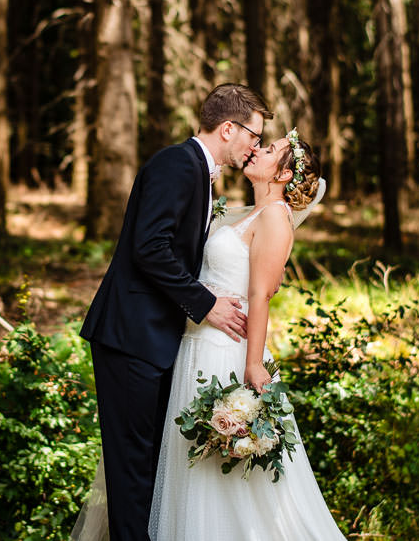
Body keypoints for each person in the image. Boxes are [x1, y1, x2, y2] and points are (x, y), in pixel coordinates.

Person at [74, 130, 347, 541]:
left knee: (217, 476)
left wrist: (253, 364)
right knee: (186, 466)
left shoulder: (274, 218)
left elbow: (260, 295)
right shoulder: (248, 213)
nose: (257, 149)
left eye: (269, 149)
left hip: (226, 351)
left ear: (285, 173)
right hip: (192, 347)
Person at [78, 84, 273, 541]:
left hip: (155, 340)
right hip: (131, 338)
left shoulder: (197, 173)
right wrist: (206, 305)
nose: (255, 146)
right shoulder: (176, 164)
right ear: (229, 128)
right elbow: (150, 248)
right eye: (253, 135)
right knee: (132, 475)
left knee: (147, 467)